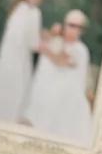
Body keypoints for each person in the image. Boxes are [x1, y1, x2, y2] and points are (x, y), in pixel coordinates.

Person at [24, 9, 94, 146]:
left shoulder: (81, 49)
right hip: (50, 96)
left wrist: (48, 48)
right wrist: (51, 35)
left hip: (69, 100)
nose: (75, 30)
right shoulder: (57, 42)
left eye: (79, 27)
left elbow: (63, 61)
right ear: (65, 25)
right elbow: (43, 44)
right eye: (71, 25)